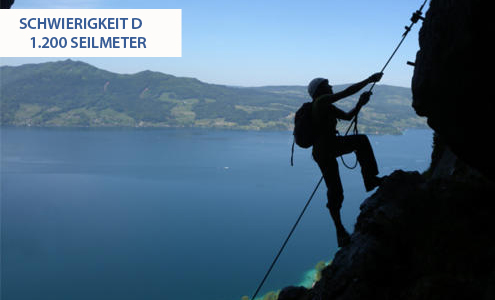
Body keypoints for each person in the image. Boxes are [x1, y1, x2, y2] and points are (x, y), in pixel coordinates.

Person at [308, 73, 383, 247]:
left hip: (323, 151)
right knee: (361, 141)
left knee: (335, 191)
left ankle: (340, 231)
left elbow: (348, 117)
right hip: (328, 147)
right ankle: (370, 179)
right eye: (327, 84)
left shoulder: (324, 105)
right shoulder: (321, 101)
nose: (331, 86)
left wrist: (360, 104)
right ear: (321, 90)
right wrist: (369, 80)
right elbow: (347, 92)